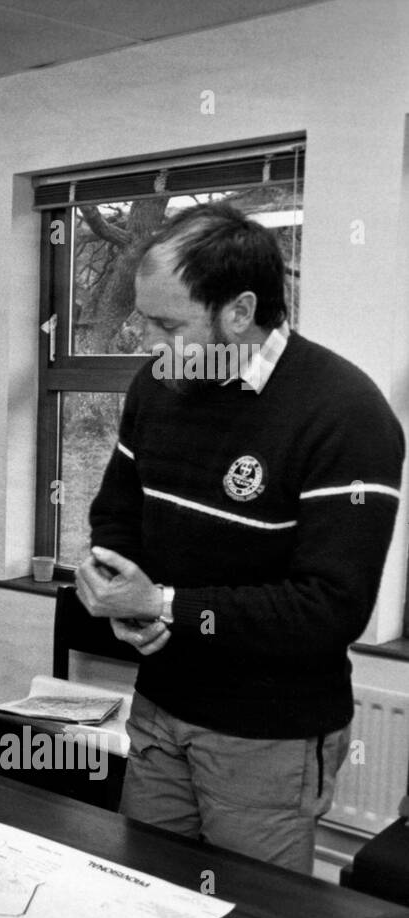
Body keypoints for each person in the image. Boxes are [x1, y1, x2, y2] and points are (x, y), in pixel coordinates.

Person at [77, 201, 404, 873]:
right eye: (146, 322)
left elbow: (331, 606)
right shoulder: (157, 386)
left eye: (169, 325)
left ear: (238, 312)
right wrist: (116, 591)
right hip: (161, 707)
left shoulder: (344, 415)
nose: (150, 345)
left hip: (269, 736)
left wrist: (163, 605)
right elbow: (116, 513)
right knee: (142, 895)